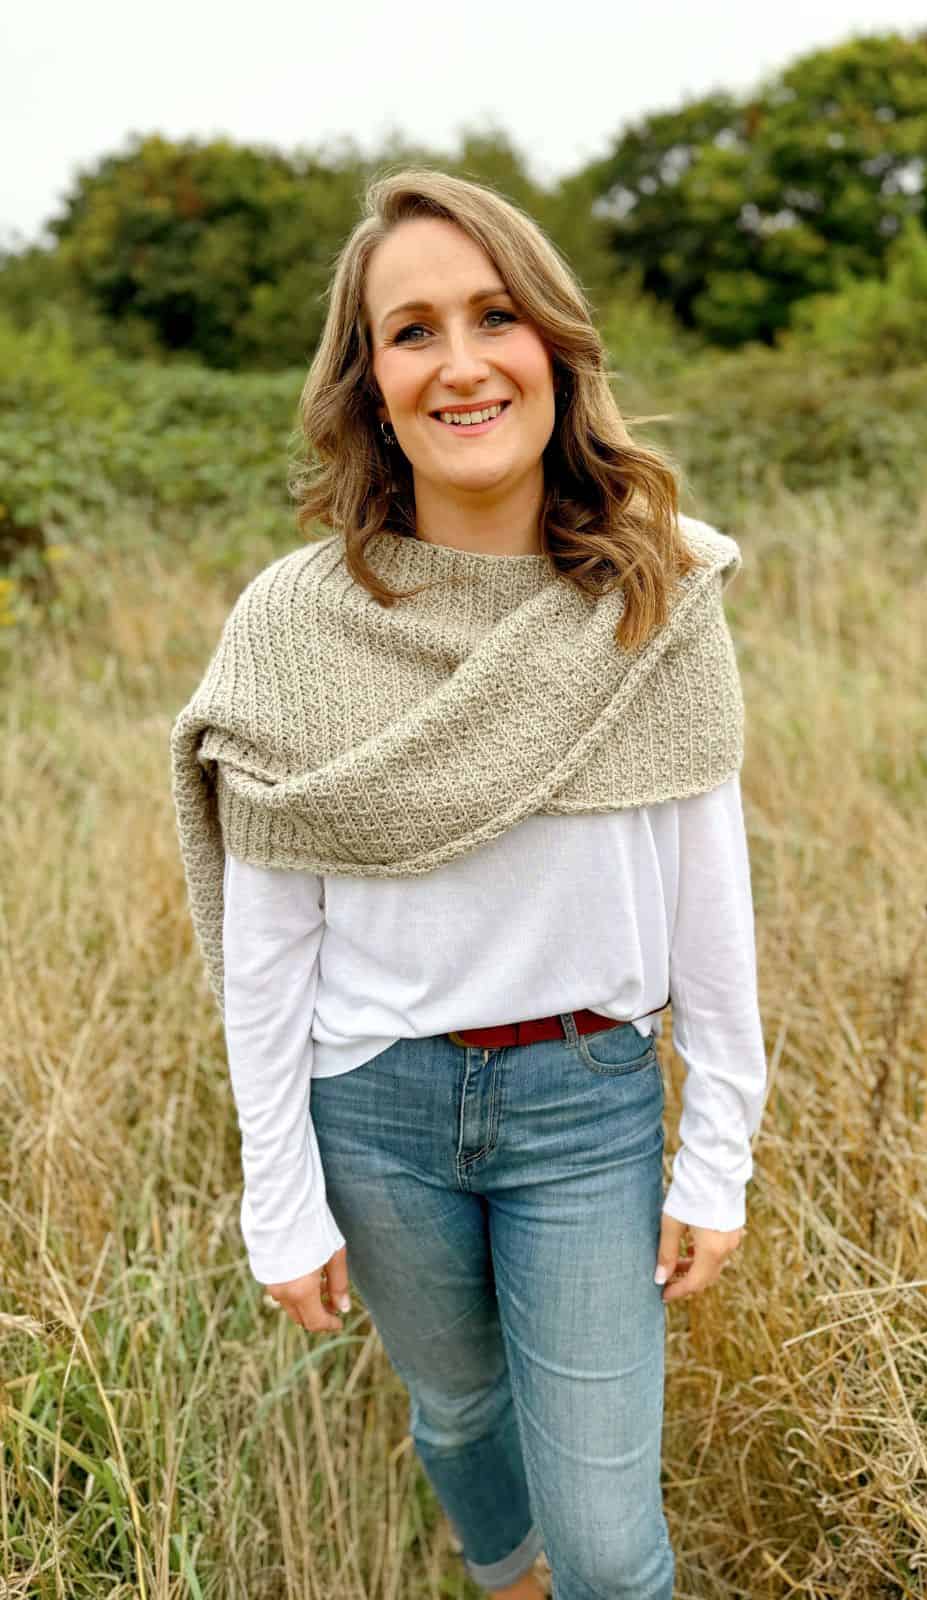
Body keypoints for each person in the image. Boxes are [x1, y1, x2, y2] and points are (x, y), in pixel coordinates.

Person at [169, 167, 769, 1600]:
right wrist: (281, 1193)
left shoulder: (652, 594)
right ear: (370, 382)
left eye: (494, 315)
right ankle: (506, 1583)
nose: (460, 361)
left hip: (585, 1108)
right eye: (412, 329)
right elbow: (267, 947)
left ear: (552, 345)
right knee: (458, 1412)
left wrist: (721, 1149)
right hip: (372, 1110)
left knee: (617, 1553)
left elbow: (711, 896)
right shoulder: (294, 622)